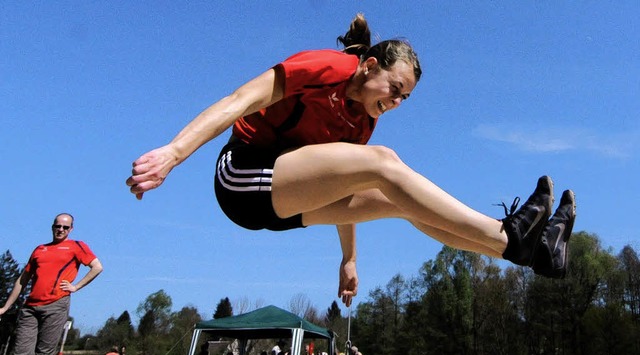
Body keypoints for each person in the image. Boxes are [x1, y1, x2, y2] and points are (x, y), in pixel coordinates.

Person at [126, 14, 577, 306]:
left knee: (400, 200)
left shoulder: (362, 123)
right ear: (369, 66)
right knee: (384, 165)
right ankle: (510, 233)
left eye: (405, 100)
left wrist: (349, 260)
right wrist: (174, 152)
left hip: (288, 203)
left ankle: (534, 254)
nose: (396, 103)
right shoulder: (325, 68)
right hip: (242, 178)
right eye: (394, 90)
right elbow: (239, 99)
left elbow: (336, 182)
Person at [0, 213, 103, 355]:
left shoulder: (76, 246)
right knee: (22, 352)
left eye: (65, 227)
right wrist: (5, 307)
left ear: (71, 229)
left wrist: (76, 286)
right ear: (52, 227)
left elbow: (97, 267)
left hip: (56, 305)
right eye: (58, 226)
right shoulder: (40, 249)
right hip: (30, 307)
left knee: (44, 354)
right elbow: (23, 280)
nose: (61, 230)